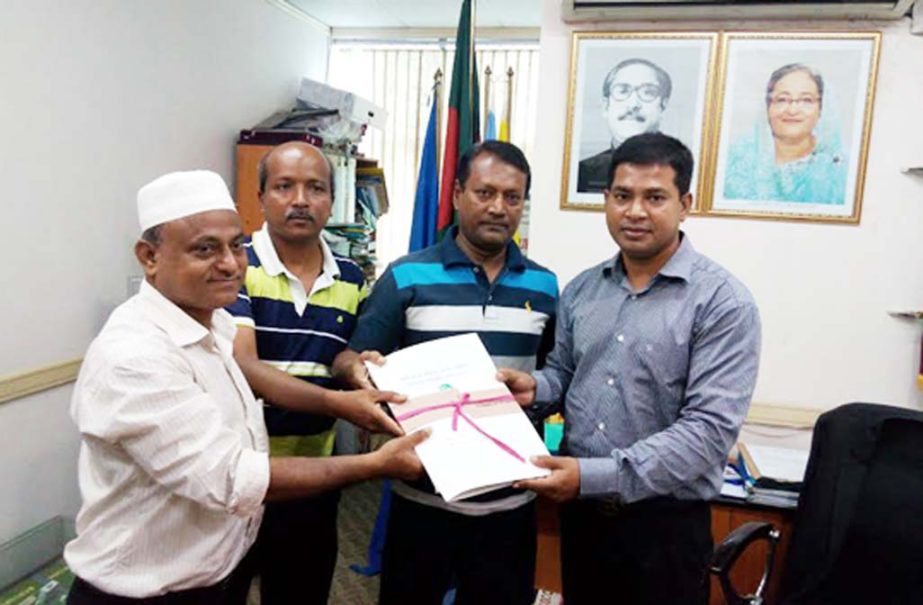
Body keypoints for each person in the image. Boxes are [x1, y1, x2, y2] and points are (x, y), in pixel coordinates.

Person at [64, 170, 427, 604]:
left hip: (214, 577)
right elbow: (232, 478)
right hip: (144, 595)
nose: (231, 264)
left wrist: (345, 403)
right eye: (205, 249)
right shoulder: (136, 355)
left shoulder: (212, 322)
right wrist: (374, 466)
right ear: (149, 256)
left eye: (236, 245)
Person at [501, 133, 761, 604]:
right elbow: (565, 372)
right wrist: (534, 387)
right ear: (606, 200)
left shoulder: (723, 303)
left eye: (654, 197)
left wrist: (594, 475)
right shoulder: (583, 290)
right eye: (623, 196)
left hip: (665, 528)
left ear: (685, 204)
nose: (635, 211)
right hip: (582, 519)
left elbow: (706, 433)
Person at [332, 140, 558, 605]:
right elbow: (349, 359)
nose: (498, 208)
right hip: (423, 501)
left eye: (512, 197)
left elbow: (553, 377)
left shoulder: (546, 284)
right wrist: (361, 373)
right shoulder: (406, 276)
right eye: (484, 192)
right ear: (457, 194)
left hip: (510, 503)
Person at [223, 141, 400, 605]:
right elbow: (246, 366)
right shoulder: (235, 266)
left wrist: (359, 368)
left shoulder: (351, 278)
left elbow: (341, 356)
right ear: (260, 196)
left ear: (332, 199)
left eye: (315, 187)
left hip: (315, 478)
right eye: (284, 186)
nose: (300, 199)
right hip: (239, 478)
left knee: (302, 592)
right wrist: (339, 403)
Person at [723, 63, 847, 204]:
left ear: (821, 109)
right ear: (768, 107)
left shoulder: (839, 170)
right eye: (782, 99)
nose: (793, 110)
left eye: (806, 100)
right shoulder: (734, 162)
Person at [577, 58, 671, 193]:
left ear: (663, 105)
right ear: (605, 106)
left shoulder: (679, 168)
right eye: (623, 91)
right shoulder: (583, 172)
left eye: (647, 92)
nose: (633, 104)